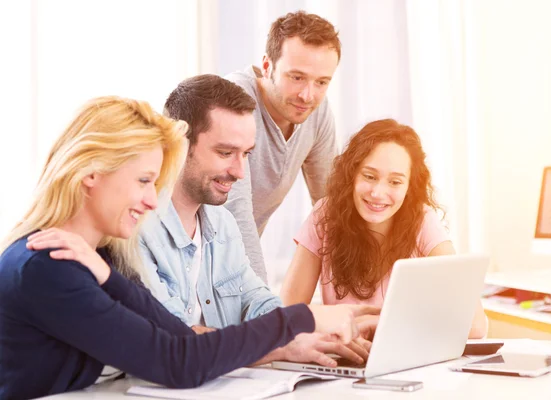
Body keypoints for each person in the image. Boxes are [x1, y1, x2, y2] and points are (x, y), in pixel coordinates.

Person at [0, 96, 376, 400]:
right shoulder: (46, 267)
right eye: (145, 181)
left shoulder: (95, 259)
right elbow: (179, 363)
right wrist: (303, 318)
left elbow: (176, 335)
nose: (152, 201)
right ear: (91, 175)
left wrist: (108, 279)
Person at [140, 74, 371, 368]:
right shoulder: (137, 230)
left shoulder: (222, 226)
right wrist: (283, 347)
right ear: (178, 144)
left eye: (246, 154)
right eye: (225, 153)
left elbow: (258, 302)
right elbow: (178, 341)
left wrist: (312, 333)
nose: (239, 172)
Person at [279, 119, 489, 339]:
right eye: (369, 176)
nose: (378, 193)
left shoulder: (422, 220)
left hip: (402, 357)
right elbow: (287, 311)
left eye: (395, 182)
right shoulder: (325, 214)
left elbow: (475, 325)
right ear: (352, 174)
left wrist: (375, 323)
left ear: (409, 187)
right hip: (343, 357)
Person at [224, 11, 341, 283]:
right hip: (188, 261)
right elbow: (235, 216)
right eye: (296, 77)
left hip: (232, 269)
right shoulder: (233, 102)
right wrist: (262, 302)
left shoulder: (317, 112)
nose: (308, 95)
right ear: (267, 65)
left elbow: (331, 206)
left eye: (321, 82)